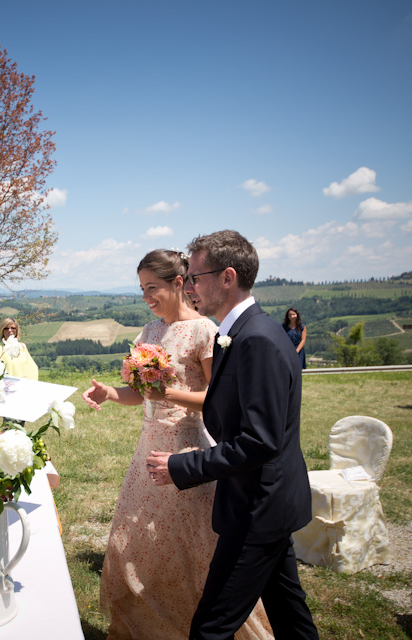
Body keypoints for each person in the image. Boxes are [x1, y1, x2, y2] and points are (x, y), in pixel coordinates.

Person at [82, 249, 272, 640]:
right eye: (141, 289)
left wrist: (168, 392)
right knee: (138, 540)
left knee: (194, 547)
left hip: (187, 450)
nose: (146, 297)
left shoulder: (205, 331)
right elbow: (142, 393)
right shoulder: (149, 333)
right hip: (146, 447)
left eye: (153, 287)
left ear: (179, 284)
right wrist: (111, 394)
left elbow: (218, 398)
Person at [146, 231, 319, 640]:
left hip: (257, 506)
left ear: (227, 277)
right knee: (289, 614)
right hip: (267, 501)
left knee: (211, 627)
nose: (188, 287)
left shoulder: (256, 340)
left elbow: (260, 441)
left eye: (195, 277)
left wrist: (182, 464)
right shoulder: (239, 333)